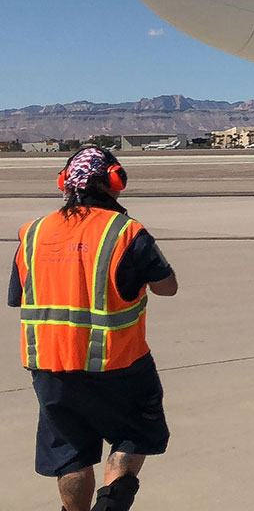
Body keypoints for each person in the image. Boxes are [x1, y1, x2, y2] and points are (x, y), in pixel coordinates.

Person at [8, 147, 177, 511]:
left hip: (48, 366)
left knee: (70, 453)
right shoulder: (126, 231)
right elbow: (167, 287)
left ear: (63, 184)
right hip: (117, 363)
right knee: (132, 436)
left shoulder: (33, 233)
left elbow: (20, 295)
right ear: (113, 180)